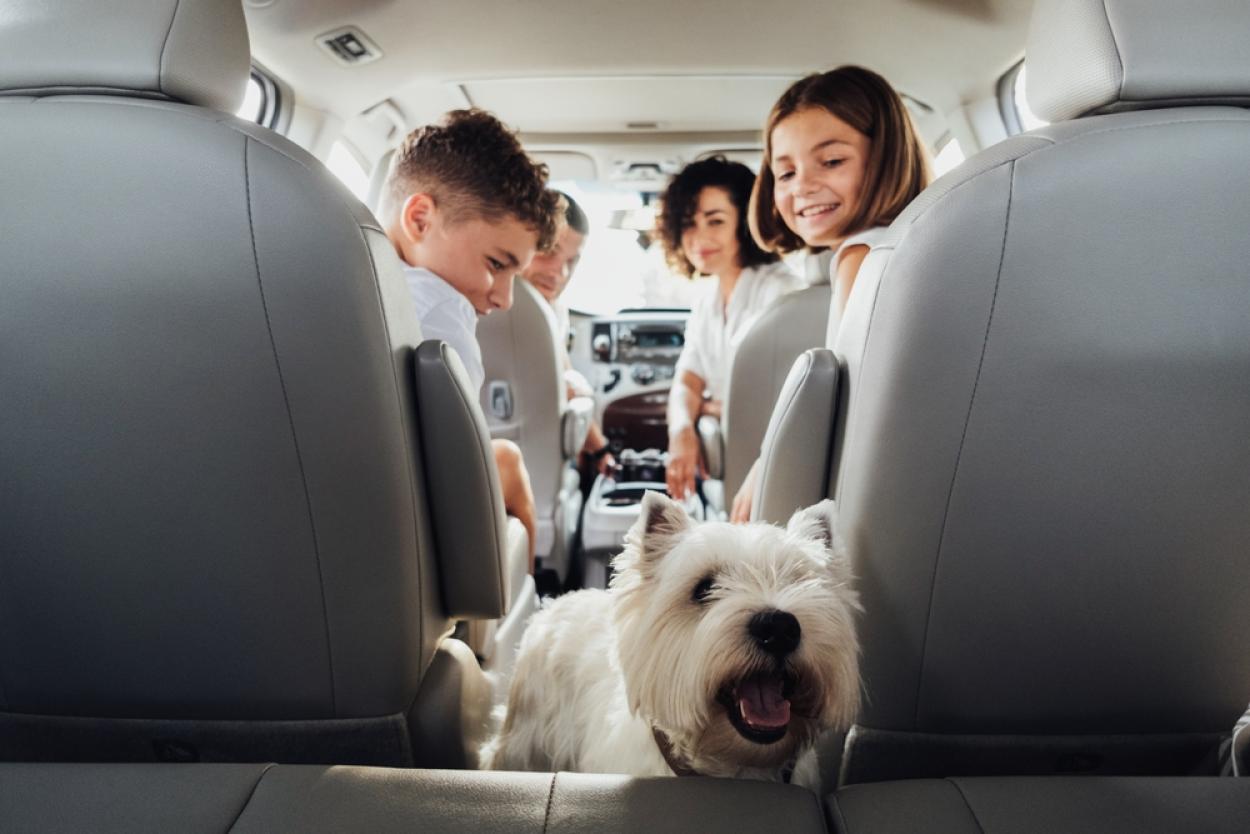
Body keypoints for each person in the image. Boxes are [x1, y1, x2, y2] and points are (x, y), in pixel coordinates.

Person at [732, 65, 932, 522]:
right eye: (785, 172)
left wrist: (767, 466)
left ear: (885, 157)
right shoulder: (910, 246)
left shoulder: (861, 257)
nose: (802, 185)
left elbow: (844, 415)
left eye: (832, 161)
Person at [379, 108, 561, 571]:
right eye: (496, 265)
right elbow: (457, 482)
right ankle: (521, 602)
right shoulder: (439, 308)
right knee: (507, 460)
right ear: (420, 218)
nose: (504, 299)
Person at [661, 156, 802, 509]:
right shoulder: (706, 298)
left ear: (745, 222)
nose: (699, 238)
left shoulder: (780, 292)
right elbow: (687, 382)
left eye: (716, 221)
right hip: (724, 461)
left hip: (767, 462)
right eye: (689, 224)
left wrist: (710, 408)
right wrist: (681, 430)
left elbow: (783, 402)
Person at [522, 191, 615, 477]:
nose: (559, 272)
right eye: (548, 252)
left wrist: (599, 450)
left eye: (571, 262)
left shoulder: (555, 310)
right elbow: (568, 387)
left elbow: (564, 375)